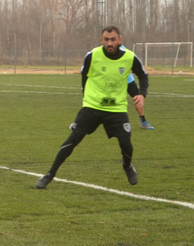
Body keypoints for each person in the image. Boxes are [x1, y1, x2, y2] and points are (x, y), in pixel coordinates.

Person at [35, 26, 149, 189]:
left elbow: (143, 75)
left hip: (116, 109)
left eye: (113, 39)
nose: (110, 43)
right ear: (101, 40)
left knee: (126, 144)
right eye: (106, 39)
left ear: (119, 40)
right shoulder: (92, 56)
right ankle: (49, 175)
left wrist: (141, 94)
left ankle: (127, 166)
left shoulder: (130, 57)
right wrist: (87, 98)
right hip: (92, 107)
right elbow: (84, 76)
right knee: (72, 140)